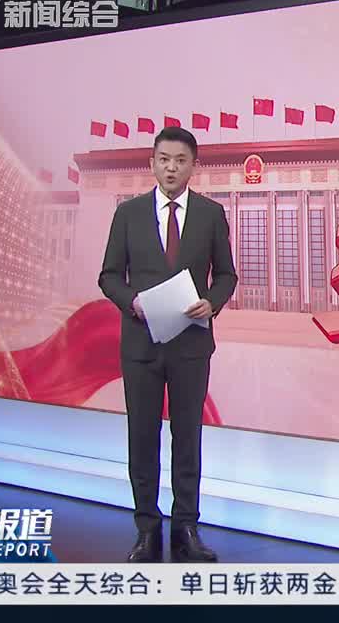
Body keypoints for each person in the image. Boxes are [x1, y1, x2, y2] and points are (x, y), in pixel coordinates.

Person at [98, 126, 237, 563]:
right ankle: (146, 529)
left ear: (193, 166)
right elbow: (108, 276)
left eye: (180, 160)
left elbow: (227, 275)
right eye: (163, 159)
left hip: (190, 346)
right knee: (142, 437)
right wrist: (132, 302)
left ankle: (186, 528)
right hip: (141, 346)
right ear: (152, 163)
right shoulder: (129, 214)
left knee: (187, 436)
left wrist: (212, 302)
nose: (171, 168)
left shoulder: (211, 214)